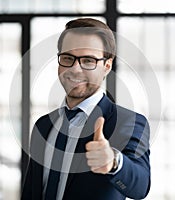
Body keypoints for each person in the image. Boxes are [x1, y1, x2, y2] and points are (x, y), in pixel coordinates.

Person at [21, 18, 150, 200]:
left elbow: (140, 187)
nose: (75, 69)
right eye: (67, 58)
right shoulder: (43, 126)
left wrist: (113, 162)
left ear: (107, 66)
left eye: (88, 60)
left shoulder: (128, 122)